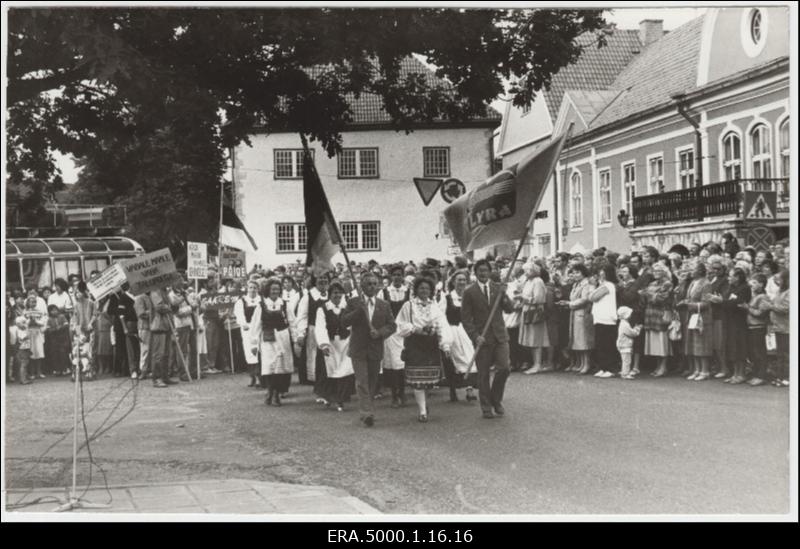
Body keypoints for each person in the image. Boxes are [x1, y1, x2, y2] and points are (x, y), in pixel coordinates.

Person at [341, 272, 397, 428]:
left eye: (374, 284)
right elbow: (344, 322)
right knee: (362, 380)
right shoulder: (353, 302)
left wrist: (379, 333)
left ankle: (368, 407)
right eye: (368, 284)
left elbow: (392, 325)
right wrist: (359, 311)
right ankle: (366, 413)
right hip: (358, 348)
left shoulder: (384, 305)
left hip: (375, 348)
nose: (372, 287)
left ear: (378, 286)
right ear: (362, 286)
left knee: (372, 381)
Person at [461, 259, 515, 420]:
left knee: (504, 368)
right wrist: (475, 336)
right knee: (483, 374)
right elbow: (466, 319)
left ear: (490, 272)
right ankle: (486, 407)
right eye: (480, 271)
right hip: (482, 338)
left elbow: (510, 309)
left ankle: (496, 400)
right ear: (475, 273)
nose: (483, 273)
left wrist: (504, 295)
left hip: (500, 336)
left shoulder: (498, 288)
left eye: (486, 270)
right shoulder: (469, 292)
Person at [397, 277, 452, 422]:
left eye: (427, 288)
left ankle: (423, 404)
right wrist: (415, 329)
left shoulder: (435, 307)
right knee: (417, 380)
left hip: (430, 344)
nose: (424, 291)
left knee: (428, 379)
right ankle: (422, 411)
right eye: (421, 288)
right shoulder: (408, 306)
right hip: (415, 344)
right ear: (416, 290)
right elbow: (400, 325)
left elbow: (442, 325)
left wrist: (445, 344)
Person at [250, 279, 293, 406]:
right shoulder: (261, 305)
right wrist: (253, 344)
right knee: (269, 367)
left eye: (277, 289)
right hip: (268, 338)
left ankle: (276, 394)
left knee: (280, 368)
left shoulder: (285, 304)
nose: (275, 291)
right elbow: (255, 325)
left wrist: (297, 338)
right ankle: (270, 391)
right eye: (273, 289)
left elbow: (292, 322)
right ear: (268, 290)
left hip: (283, 338)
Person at [315, 281, 356, 411]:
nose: (337, 295)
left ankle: (341, 400)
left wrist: (353, 341)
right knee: (330, 371)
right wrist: (324, 344)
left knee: (344, 371)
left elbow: (352, 325)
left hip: (345, 343)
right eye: (334, 293)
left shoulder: (347, 308)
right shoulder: (323, 309)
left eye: (339, 293)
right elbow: (320, 327)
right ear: (330, 294)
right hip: (331, 343)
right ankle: (329, 397)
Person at [438, 270, 478, 402]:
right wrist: (444, 335)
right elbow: (441, 316)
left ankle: (469, 388)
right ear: (453, 282)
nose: (461, 282)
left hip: (467, 331)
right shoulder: (447, 298)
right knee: (454, 360)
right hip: (453, 331)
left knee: (471, 357)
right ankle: (453, 389)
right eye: (459, 280)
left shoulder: (469, 297)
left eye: (464, 280)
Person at [381, 264, 411, 407]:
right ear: (391, 277)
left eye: (400, 274)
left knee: (403, 363)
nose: (397, 277)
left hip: (404, 331)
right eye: (395, 275)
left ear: (403, 276)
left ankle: (403, 392)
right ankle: (394, 395)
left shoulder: (408, 292)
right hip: (391, 332)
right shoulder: (384, 292)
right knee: (393, 364)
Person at [295, 274, 330, 392]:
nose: (323, 280)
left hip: (331, 331)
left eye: (325, 278)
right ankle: (319, 386)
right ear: (315, 281)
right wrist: (301, 333)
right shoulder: (308, 297)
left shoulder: (333, 294)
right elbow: (302, 316)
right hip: (314, 331)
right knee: (316, 358)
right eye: (320, 278)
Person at [681, 262, 713, 381]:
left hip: (702, 317)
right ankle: (696, 369)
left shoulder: (706, 284)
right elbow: (690, 298)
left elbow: (706, 303)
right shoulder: (692, 283)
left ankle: (705, 370)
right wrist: (686, 302)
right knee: (693, 344)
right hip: (692, 316)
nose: (691, 271)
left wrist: (690, 305)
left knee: (702, 344)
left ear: (700, 271)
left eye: (693, 269)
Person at [641, 263, 673, 378]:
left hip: (661, 314)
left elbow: (661, 298)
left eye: (659, 271)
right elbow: (645, 298)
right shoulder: (652, 283)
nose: (656, 273)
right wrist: (649, 295)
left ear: (664, 272)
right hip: (650, 314)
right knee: (654, 342)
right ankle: (658, 365)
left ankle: (663, 366)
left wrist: (648, 294)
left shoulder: (668, 283)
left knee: (662, 342)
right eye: (655, 271)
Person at [562, 264, 595, 375]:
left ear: (583, 273)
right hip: (575, 313)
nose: (575, 275)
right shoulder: (576, 284)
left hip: (583, 313)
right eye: (574, 272)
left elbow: (585, 299)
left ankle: (587, 364)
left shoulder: (587, 284)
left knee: (584, 340)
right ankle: (581, 363)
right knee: (577, 340)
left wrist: (570, 303)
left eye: (577, 272)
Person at [519, 261, 549, 375]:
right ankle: (535, 363)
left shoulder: (538, 281)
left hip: (535, 312)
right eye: (525, 270)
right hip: (527, 311)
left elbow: (539, 299)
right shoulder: (528, 281)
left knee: (536, 339)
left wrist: (523, 297)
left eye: (528, 270)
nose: (525, 272)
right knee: (531, 339)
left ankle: (538, 364)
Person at [723, 267, 751, 384]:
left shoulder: (745, 288)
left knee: (740, 347)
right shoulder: (731, 287)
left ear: (737, 277)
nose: (729, 278)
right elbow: (728, 302)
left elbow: (738, 303)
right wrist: (725, 302)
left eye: (731, 276)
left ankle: (741, 374)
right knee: (733, 347)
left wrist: (723, 302)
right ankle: (735, 373)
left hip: (740, 322)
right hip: (730, 321)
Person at [590, 263, 618, 379]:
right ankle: (603, 367)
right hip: (600, 318)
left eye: (603, 271)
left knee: (607, 344)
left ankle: (610, 368)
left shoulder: (608, 285)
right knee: (600, 344)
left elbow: (593, 297)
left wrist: (592, 286)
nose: (600, 273)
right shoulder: (603, 285)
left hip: (607, 319)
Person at [704, 257, 730, 379]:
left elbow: (723, 297)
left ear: (724, 269)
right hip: (711, 313)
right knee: (714, 343)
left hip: (720, 314)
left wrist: (713, 298)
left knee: (720, 343)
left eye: (718, 268)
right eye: (713, 268)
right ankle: (718, 366)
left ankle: (724, 368)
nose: (715, 271)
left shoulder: (725, 281)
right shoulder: (713, 279)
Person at [743, 274, 771, 387]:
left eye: (755, 282)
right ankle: (755, 374)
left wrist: (747, 308)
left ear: (761, 284)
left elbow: (760, 313)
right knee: (753, 352)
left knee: (759, 352)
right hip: (751, 327)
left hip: (758, 327)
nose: (751, 284)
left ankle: (761, 376)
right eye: (751, 282)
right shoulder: (754, 296)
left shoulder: (763, 297)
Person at [235, 280, 263, 388]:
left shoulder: (261, 300)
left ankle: (260, 377)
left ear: (258, 289)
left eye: (254, 288)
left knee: (259, 351)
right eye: (250, 287)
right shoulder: (241, 301)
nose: (252, 290)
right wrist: (243, 324)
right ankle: (252, 377)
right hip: (247, 329)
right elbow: (239, 314)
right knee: (249, 352)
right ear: (247, 288)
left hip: (258, 328)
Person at [148, 286, 177, 388]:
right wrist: (169, 307)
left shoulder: (165, 292)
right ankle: (157, 378)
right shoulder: (155, 291)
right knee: (158, 354)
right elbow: (159, 307)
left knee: (166, 353)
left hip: (167, 325)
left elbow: (172, 306)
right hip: (159, 326)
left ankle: (165, 376)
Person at [168, 280, 195, 381]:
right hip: (180, 325)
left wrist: (193, 303)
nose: (181, 283)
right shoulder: (172, 295)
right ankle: (183, 373)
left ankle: (192, 371)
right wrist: (190, 308)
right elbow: (177, 312)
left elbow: (193, 302)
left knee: (191, 350)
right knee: (182, 350)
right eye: (179, 280)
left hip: (190, 323)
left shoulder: (185, 292)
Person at [767, 269, 789, 387]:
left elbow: (785, 308)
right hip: (778, 325)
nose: (778, 281)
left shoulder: (790, 292)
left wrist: (771, 306)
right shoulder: (780, 291)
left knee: (785, 353)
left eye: (780, 279)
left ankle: (786, 376)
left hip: (786, 326)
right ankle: (780, 376)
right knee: (780, 352)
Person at [23, 293, 47, 379]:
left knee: (39, 352)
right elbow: (24, 322)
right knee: (31, 353)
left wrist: (36, 321)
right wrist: (30, 320)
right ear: (28, 302)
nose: (33, 303)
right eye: (31, 302)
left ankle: (39, 372)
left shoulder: (39, 312)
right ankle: (32, 373)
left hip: (37, 333)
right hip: (30, 333)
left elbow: (43, 322)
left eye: (34, 302)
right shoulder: (25, 312)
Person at [44, 304, 71, 376]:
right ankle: (57, 370)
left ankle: (65, 369)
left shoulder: (62, 317)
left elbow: (66, 325)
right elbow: (48, 330)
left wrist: (60, 328)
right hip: (54, 340)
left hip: (63, 338)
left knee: (63, 353)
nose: (54, 312)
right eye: (52, 311)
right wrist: (56, 329)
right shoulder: (49, 320)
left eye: (55, 310)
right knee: (55, 354)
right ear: (50, 312)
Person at [616, 307, 642, 380]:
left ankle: (624, 371)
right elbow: (632, 333)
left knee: (624, 359)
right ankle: (625, 373)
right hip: (625, 345)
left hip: (623, 345)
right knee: (627, 360)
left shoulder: (623, 323)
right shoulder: (625, 325)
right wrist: (638, 328)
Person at [134, 292, 152, 378]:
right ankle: (143, 370)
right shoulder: (140, 298)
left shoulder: (151, 296)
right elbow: (141, 314)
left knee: (150, 349)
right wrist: (153, 311)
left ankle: (149, 369)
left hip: (152, 326)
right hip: (144, 327)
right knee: (145, 349)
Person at [9, 316, 32, 384]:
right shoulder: (19, 331)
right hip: (22, 349)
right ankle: (23, 379)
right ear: (18, 324)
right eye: (23, 323)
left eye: (25, 322)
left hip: (26, 348)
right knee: (23, 364)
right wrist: (28, 330)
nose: (25, 324)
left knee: (25, 363)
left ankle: (24, 378)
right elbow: (25, 337)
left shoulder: (22, 330)